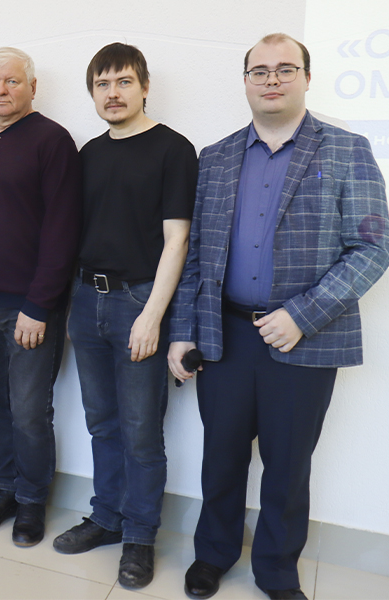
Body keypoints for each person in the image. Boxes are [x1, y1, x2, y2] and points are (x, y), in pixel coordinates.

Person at [168, 33, 388, 600]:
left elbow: (373, 247)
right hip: (224, 335)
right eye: (260, 70)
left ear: (306, 78)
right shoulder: (215, 157)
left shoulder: (347, 149)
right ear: (245, 81)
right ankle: (213, 554)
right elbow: (197, 256)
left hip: (304, 340)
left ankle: (276, 569)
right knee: (220, 457)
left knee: (288, 466)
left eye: (285, 68)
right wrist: (183, 332)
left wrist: (302, 316)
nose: (272, 79)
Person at [53, 43, 197, 589]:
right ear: (92, 92)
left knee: (140, 431)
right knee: (101, 422)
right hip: (87, 300)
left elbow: (177, 240)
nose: (113, 94)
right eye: (102, 84)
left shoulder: (174, 150)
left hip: (139, 301)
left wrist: (153, 315)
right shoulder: (88, 153)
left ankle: (140, 535)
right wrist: (72, 306)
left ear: (144, 86)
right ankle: (107, 517)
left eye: (123, 82)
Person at [0, 47, 81, 547]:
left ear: (32, 87)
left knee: (29, 411)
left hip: (29, 307)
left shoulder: (53, 141)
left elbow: (62, 231)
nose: (1, 90)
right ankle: (3, 489)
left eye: (11, 81)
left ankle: (31, 500)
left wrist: (39, 304)